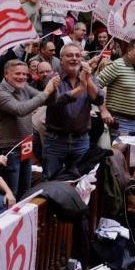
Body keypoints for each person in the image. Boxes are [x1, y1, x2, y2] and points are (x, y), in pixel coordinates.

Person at [0, 60, 58, 199]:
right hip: (9, 149)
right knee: (11, 195)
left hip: (25, 145)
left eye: (25, 74)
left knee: (26, 192)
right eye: (18, 74)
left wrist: (54, 88)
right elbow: (21, 110)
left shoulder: (24, 87)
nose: (22, 77)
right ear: (6, 74)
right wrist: (46, 92)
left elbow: (49, 101)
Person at [43, 45, 104, 180]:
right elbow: (57, 101)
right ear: (61, 59)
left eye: (77, 55)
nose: (74, 59)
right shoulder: (52, 77)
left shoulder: (88, 77)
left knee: (83, 181)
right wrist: (81, 88)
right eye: (69, 55)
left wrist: (87, 80)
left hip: (81, 140)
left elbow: (99, 99)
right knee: (51, 181)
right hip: (56, 141)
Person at [96, 38, 135, 139]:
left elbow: (132, 86)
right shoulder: (117, 65)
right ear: (129, 51)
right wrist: (103, 110)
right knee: (118, 154)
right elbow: (95, 85)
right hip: (121, 123)